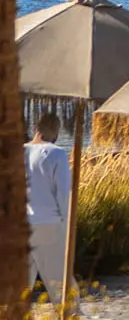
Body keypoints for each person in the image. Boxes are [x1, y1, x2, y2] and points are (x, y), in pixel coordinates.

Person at [26, 113, 72, 293]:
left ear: (35, 129)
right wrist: (67, 226)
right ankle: (70, 319)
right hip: (48, 224)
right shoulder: (57, 153)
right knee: (58, 281)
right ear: (57, 131)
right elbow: (63, 195)